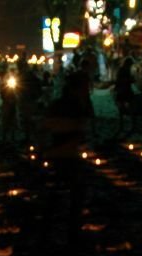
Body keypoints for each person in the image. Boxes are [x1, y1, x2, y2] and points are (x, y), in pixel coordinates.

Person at [41, 72, 93, 242]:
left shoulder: (56, 104)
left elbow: (44, 128)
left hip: (55, 155)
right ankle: (71, 233)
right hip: (68, 156)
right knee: (75, 195)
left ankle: (47, 231)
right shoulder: (75, 106)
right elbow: (79, 133)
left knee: (54, 195)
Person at [114, 57, 135, 136]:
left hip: (123, 90)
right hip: (124, 90)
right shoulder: (124, 70)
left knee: (123, 108)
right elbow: (121, 80)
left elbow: (118, 80)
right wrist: (130, 80)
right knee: (128, 107)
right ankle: (129, 125)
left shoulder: (123, 69)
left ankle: (123, 125)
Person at [0, 66, 19, 143]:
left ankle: (12, 136)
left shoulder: (16, 79)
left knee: (13, 119)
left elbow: (18, 91)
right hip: (7, 103)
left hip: (13, 102)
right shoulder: (6, 80)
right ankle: (4, 137)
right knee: (6, 119)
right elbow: (2, 91)